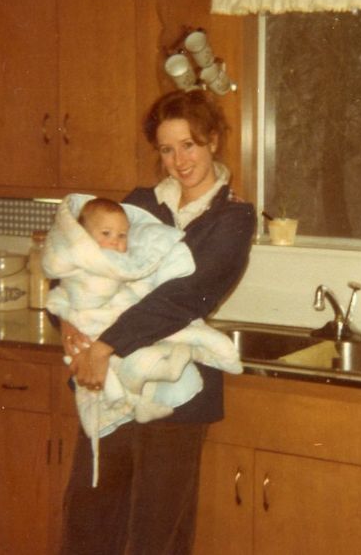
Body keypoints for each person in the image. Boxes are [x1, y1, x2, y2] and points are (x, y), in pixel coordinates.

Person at [58, 88, 256, 555]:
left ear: (212, 140)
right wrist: (66, 320)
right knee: (89, 521)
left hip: (176, 397)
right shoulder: (140, 203)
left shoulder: (233, 217)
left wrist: (104, 346)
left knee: (155, 536)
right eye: (167, 149)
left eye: (188, 144)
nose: (179, 160)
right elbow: (82, 259)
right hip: (111, 388)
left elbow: (185, 296)